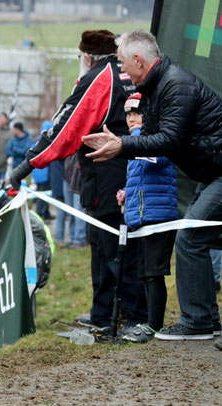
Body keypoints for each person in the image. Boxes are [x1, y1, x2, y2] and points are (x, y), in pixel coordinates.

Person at [83, 29, 222, 341]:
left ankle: (197, 320)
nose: (121, 71)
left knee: (190, 238)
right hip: (210, 173)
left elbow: (168, 140)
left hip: (218, 172)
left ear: (138, 60)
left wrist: (122, 145)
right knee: (196, 239)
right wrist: (121, 141)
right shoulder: (154, 88)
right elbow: (150, 137)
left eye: (122, 64)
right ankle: (208, 319)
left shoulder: (175, 84)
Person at [8, 29, 147, 333]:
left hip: (109, 174)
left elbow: (64, 128)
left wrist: (25, 166)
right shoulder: (127, 72)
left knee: (111, 247)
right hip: (131, 172)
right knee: (109, 245)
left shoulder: (99, 77)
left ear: (86, 56)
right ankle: (105, 313)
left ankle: (134, 317)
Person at [115, 93, 178, 343]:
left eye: (137, 113)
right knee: (143, 273)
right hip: (141, 218)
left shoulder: (159, 137)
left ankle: (154, 326)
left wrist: (134, 139)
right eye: (128, 114)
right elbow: (140, 178)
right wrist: (125, 192)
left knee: (154, 273)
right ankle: (149, 323)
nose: (131, 119)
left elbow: (157, 159)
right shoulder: (135, 141)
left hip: (159, 216)